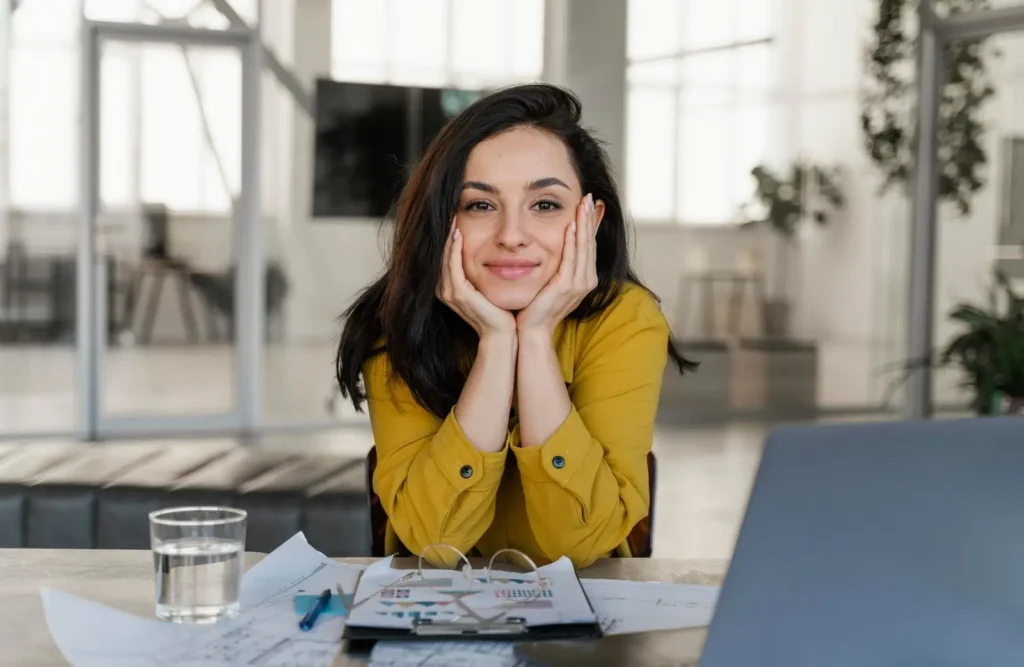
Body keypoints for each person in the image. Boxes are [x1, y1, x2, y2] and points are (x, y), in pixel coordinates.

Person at [336, 83, 696, 569]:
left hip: (586, 615)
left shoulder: (625, 319)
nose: (511, 236)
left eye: (545, 204)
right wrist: (498, 343)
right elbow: (434, 543)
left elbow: (580, 545)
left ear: (590, 220)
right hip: (431, 615)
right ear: (444, 220)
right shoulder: (401, 319)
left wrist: (536, 337)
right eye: (479, 205)